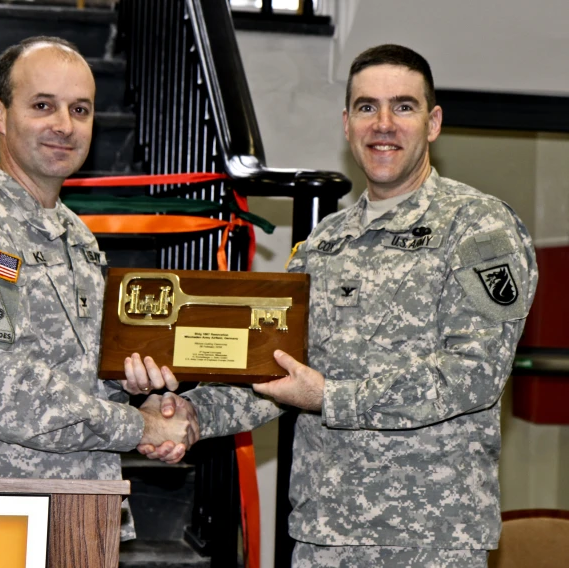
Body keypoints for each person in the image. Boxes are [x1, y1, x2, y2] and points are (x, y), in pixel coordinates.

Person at [140, 44, 538, 566]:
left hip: (430, 540)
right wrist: (191, 413)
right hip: (323, 536)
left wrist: (331, 396)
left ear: (433, 122)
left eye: (403, 106)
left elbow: (474, 375)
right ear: (346, 123)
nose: (384, 124)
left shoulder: (477, 228)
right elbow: (276, 371)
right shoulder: (323, 243)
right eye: (367, 107)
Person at [0, 36, 195, 539]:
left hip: (80, 515)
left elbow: (79, 371)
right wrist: (140, 428)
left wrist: (133, 385)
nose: (64, 125)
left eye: (80, 109)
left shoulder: (75, 236)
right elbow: (7, 394)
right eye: (42, 106)